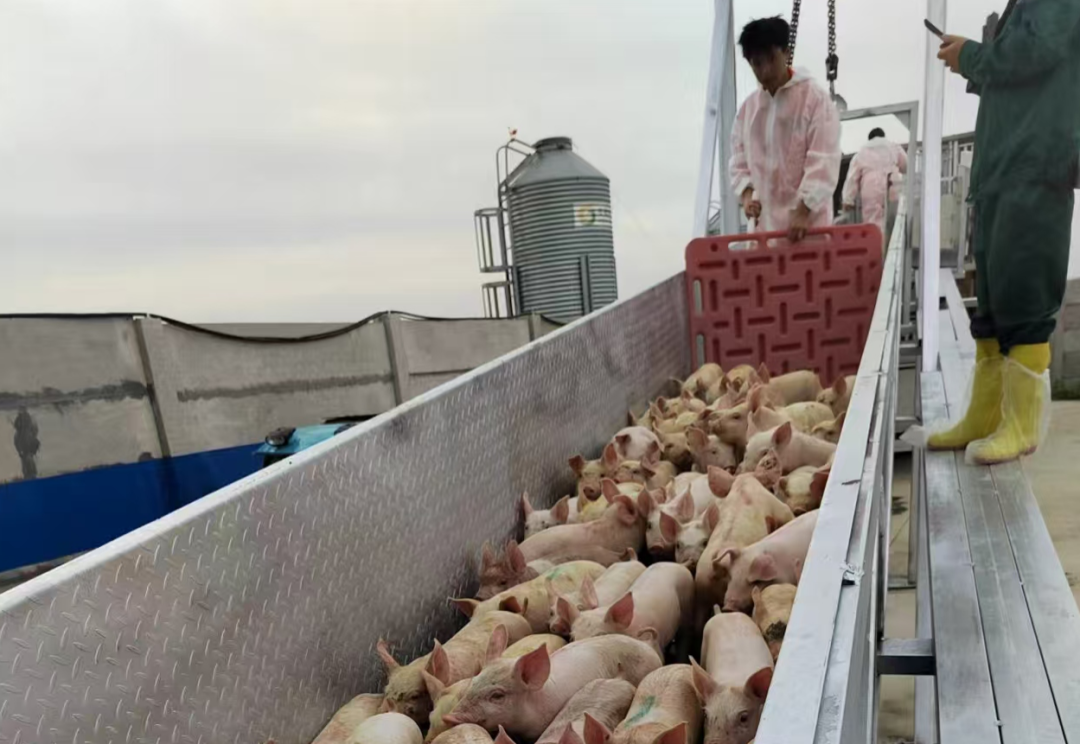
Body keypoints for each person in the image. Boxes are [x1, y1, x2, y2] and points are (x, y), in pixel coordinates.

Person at [930, 3, 1080, 464]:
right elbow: (1023, 71)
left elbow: (1037, 49)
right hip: (1003, 169)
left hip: (1034, 166)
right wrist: (973, 63)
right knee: (994, 301)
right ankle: (986, 414)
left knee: (1024, 295)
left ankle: (1022, 425)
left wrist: (973, 55)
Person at [730, 16, 841, 242]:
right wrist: (747, 196)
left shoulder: (814, 100)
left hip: (808, 232)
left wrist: (804, 210)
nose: (765, 70)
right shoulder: (747, 112)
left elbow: (824, 159)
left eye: (771, 59)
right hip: (765, 236)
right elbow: (739, 161)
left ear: (786, 52)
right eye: (757, 63)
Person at [841, 128, 907, 241]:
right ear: (883, 136)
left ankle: (876, 247)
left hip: (871, 190)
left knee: (872, 224)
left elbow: (852, 178)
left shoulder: (861, 153)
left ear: (869, 139)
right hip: (892, 186)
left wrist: (848, 200)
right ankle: (891, 246)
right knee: (893, 222)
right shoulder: (894, 147)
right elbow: (906, 166)